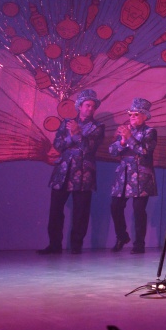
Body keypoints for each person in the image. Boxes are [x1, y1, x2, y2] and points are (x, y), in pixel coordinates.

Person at [39, 88, 105, 255]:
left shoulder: (98, 126)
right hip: (63, 171)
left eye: (93, 106)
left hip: (83, 173)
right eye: (87, 105)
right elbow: (58, 145)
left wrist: (77, 134)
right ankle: (54, 245)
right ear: (80, 106)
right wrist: (71, 137)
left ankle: (76, 246)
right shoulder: (66, 122)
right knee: (55, 210)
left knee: (81, 211)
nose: (90, 109)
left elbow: (89, 149)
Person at [109, 97, 158, 254]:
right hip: (123, 175)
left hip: (141, 175)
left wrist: (129, 137)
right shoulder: (125, 131)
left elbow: (144, 151)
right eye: (130, 115)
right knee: (115, 206)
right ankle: (122, 236)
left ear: (144, 116)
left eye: (136, 115)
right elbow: (112, 151)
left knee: (138, 210)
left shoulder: (150, 132)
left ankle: (139, 244)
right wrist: (122, 141)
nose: (132, 117)